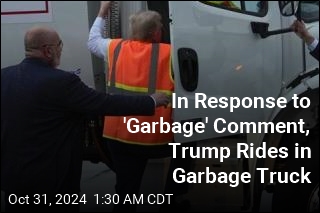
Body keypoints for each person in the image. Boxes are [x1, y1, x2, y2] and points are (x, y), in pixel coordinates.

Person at [1, 25, 170, 212]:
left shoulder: (4, 76)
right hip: (52, 180)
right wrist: (151, 101)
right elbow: (104, 103)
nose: (61, 50)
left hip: (13, 177)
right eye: (59, 45)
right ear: (48, 50)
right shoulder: (61, 81)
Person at [87, 1, 174, 212]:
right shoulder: (170, 53)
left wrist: (102, 11)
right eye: (161, 27)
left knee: (126, 190)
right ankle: (175, 191)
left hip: (119, 137)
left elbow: (92, 41)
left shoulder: (115, 48)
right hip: (154, 139)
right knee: (192, 142)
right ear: (155, 33)